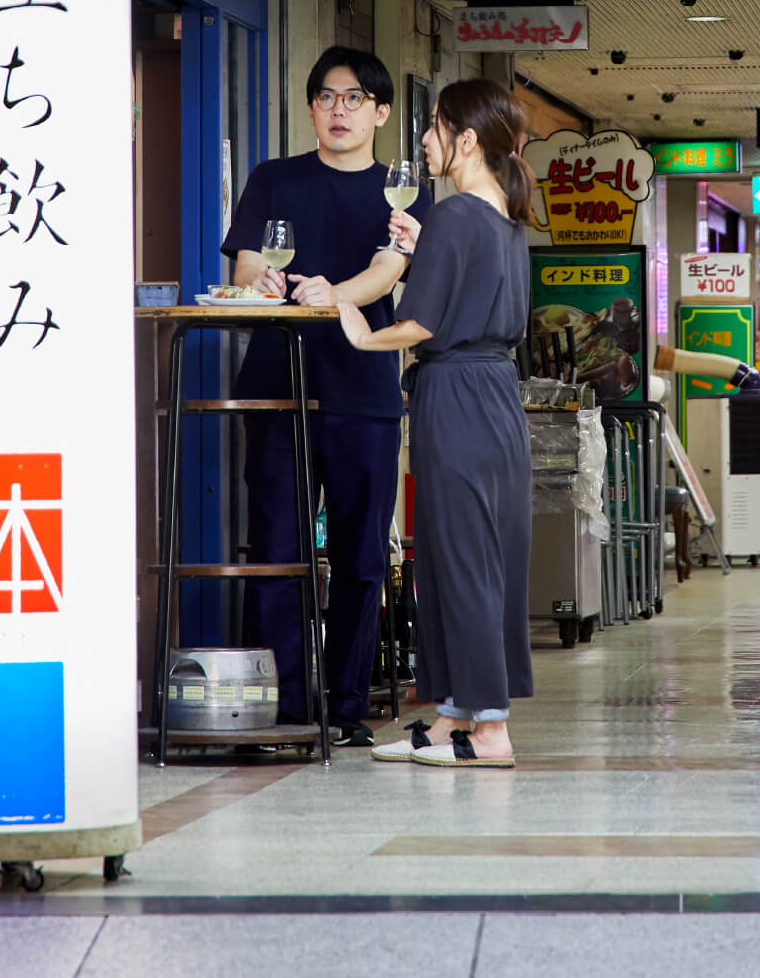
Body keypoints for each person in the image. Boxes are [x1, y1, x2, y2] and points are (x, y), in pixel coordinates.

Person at [220, 45, 432, 747]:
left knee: (361, 556)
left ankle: (344, 708)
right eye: (325, 97)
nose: (337, 111)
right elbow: (250, 260)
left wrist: (329, 297)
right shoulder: (274, 178)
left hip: (364, 388)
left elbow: (387, 270)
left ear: (380, 112)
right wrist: (267, 285)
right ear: (310, 108)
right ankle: (283, 704)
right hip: (278, 384)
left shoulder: (401, 190)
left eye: (352, 99)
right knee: (279, 548)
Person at [341, 78, 534, 769]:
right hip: (493, 396)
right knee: (474, 556)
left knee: (461, 560)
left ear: (467, 139)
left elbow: (420, 322)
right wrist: (427, 244)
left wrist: (357, 329)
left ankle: (490, 732)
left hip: (455, 395)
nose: (424, 140)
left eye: (434, 127)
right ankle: (456, 716)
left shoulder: (455, 216)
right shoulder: (502, 221)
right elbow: (471, 290)